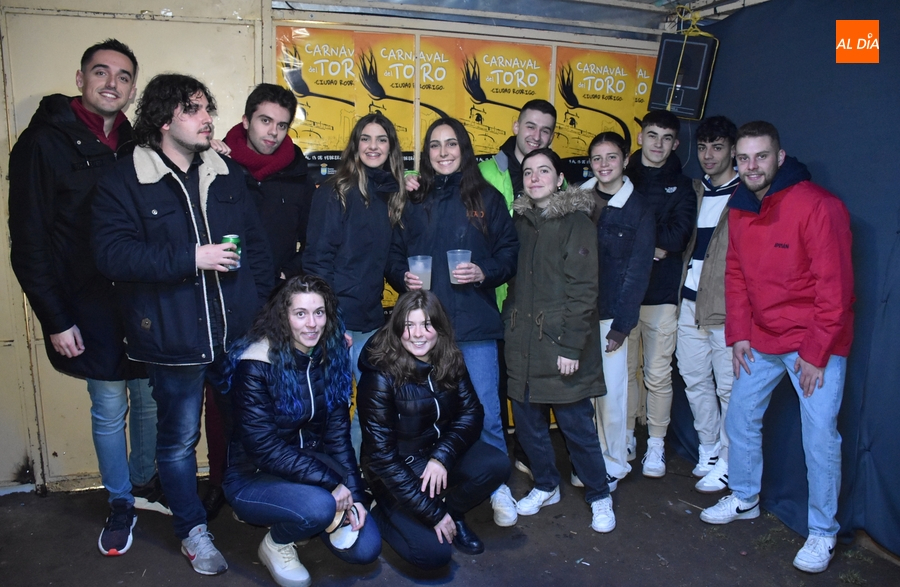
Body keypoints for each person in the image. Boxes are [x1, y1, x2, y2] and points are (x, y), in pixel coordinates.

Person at [92, 74, 274, 575]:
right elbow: (112, 255)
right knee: (177, 443)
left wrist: (260, 317)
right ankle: (193, 530)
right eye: (194, 110)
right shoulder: (124, 178)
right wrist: (192, 256)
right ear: (164, 118)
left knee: (245, 426)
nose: (208, 119)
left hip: (236, 334)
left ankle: (248, 502)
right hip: (172, 337)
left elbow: (255, 249)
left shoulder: (226, 172)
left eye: (207, 109)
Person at [7, 38, 167, 557]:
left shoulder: (141, 142)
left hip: (144, 304)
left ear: (132, 88)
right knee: (107, 408)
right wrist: (55, 318)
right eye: (101, 73)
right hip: (87, 307)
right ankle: (120, 502)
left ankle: (145, 484)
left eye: (122, 77)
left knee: (147, 402)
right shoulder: (41, 144)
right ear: (80, 79)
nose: (111, 84)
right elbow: (28, 243)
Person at [700, 121, 854, 574]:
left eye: (760, 156)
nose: (751, 166)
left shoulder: (818, 205)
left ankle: (822, 531)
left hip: (814, 342)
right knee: (740, 415)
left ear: (779, 157)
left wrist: (815, 352)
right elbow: (736, 276)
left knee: (821, 435)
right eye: (743, 158)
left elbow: (836, 289)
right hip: (762, 338)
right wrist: (740, 334)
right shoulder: (741, 206)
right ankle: (745, 497)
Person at [387, 117, 519, 527]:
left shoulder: (488, 198)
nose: (443, 153)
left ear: (464, 149)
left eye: (451, 145)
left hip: (475, 327)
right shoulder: (413, 199)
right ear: (425, 155)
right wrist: (401, 277)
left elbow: (510, 252)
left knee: (487, 414)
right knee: (426, 417)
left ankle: (498, 487)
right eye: (435, 146)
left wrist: (484, 272)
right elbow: (392, 255)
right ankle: (428, 491)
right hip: (423, 332)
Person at [199, 83, 319, 520]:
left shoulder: (297, 172)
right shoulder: (215, 163)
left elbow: (314, 237)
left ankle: (269, 477)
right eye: (265, 121)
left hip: (277, 303)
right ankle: (219, 480)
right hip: (227, 299)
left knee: (275, 398)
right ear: (247, 120)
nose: (272, 132)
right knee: (223, 396)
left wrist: (291, 270)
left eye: (282, 125)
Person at [223, 276, 381, 587]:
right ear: (283, 316)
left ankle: (309, 517)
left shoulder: (330, 357)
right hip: (253, 475)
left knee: (366, 549)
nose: (312, 324)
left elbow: (338, 438)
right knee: (320, 507)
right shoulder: (255, 362)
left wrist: (356, 494)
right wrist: (333, 484)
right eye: (300, 314)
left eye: (319, 313)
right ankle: (278, 543)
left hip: (310, 465)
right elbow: (264, 449)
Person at [504, 147, 615, 533]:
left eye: (544, 171)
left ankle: (600, 494)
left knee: (576, 427)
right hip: (522, 341)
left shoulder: (576, 222)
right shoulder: (517, 221)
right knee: (529, 425)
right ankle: (546, 484)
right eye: (528, 171)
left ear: (559, 178)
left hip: (561, 344)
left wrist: (570, 348)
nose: (535, 178)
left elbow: (584, 290)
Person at [357, 290, 509, 569]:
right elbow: (382, 458)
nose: (418, 334)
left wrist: (441, 457)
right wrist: (433, 514)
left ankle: (453, 511)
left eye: (427, 324)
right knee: (432, 556)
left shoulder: (449, 358)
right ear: (398, 328)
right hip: (396, 471)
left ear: (439, 328)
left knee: (496, 463)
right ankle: (381, 512)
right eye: (409, 325)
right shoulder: (379, 376)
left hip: (435, 458)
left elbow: (472, 412)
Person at [302, 112, 406, 456]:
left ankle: (356, 478)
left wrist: (404, 277)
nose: (373, 146)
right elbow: (316, 262)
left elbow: (387, 258)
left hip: (372, 321)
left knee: (373, 408)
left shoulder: (389, 195)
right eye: (366, 138)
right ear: (355, 145)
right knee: (331, 409)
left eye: (381, 139)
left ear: (391, 148)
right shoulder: (335, 192)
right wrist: (330, 320)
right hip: (338, 323)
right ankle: (331, 481)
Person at [580, 132, 655, 492]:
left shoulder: (638, 209)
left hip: (611, 317)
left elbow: (638, 272)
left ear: (625, 160)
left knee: (611, 395)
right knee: (583, 395)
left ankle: (615, 463)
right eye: (597, 158)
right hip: (577, 314)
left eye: (612, 157)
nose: (604, 165)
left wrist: (622, 327)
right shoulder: (576, 200)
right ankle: (592, 458)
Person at [624, 109, 697, 477]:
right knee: (626, 373)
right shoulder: (621, 176)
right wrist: (649, 243)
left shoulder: (682, 185)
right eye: (652, 135)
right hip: (623, 294)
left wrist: (640, 240)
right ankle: (627, 437)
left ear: (675, 143)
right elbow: (611, 233)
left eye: (666, 138)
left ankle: (656, 444)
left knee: (656, 374)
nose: (658, 144)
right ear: (640, 138)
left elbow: (678, 237)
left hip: (661, 295)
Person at [676, 116, 740, 493]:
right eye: (702, 147)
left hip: (725, 308)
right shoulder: (695, 191)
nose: (708, 155)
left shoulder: (744, 194)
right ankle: (709, 448)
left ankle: (732, 459)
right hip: (688, 302)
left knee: (729, 389)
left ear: (732, 149)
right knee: (695, 380)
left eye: (717, 147)